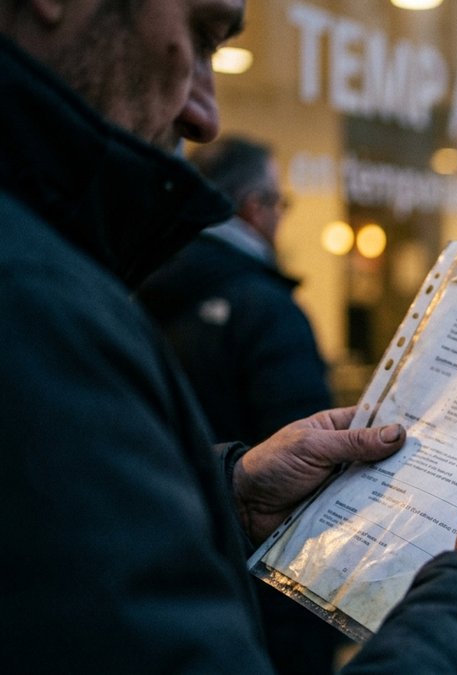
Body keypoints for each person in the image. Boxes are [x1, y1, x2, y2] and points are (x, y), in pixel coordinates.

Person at [0, 1, 457, 672]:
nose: (205, 113)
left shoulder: (50, 276)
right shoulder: (34, 299)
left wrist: (231, 495)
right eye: (200, 37)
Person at [137, 136, 343, 675]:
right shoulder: (268, 310)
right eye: (280, 204)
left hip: (175, 565)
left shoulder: (139, 288)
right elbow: (313, 470)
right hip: (269, 590)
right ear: (256, 207)